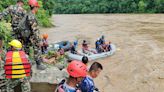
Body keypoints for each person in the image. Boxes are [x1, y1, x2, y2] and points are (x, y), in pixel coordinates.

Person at [21, 0, 46, 70]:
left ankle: (26, 63)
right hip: (31, 35)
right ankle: (39, 64)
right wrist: (39, 40)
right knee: (37, 48)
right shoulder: (31, 16)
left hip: (26, 35)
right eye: (37, 7)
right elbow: (35, 30)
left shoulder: (28, 14)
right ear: (34, 7)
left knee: (26, 49)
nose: (38, 8)